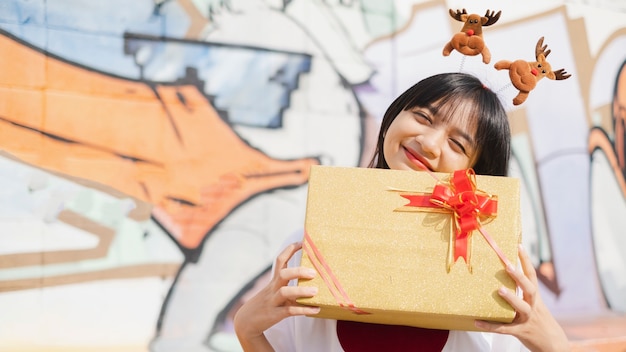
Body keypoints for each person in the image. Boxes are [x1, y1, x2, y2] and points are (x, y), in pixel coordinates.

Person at [233, 72, 571, 352]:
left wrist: (553, 343)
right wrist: (248, 331)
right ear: (393, 116)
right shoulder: (310, 248)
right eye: (423, 117)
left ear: (475, 170)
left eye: (458, 144)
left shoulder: (495, 269)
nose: (430, 143)